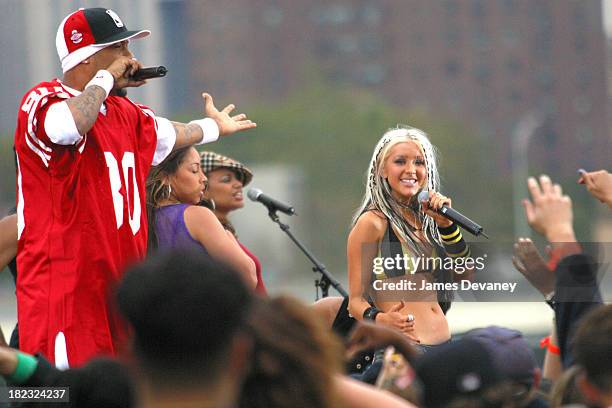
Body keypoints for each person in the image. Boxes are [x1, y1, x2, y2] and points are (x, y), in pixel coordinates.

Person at [14, 7, 256, 367]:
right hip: (68, 295)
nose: (131, 59)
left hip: (122, 295)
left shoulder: (125, 114)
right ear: (90, 56)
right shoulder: (44, 100)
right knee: (66, 395)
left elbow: (171, 133)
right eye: (121, 50)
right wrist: (106, 80)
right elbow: (69, 125)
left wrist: (213, 127)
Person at [347, 125, 470, 362]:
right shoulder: (372, 223)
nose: (411, 170)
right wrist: (380, 319)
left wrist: (447, 225)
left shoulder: (431, 221)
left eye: (419, 162)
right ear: (382, 170)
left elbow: (464, 272)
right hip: (404, 350)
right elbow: (355, 302)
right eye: (400, 161)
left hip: (444, 347)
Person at [146, 146, 257, 287]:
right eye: (194, 170)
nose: (203, 179)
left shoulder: (142, 220)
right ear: (165, 177)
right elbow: (247, 275)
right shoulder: (196, 216)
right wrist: (228, 236)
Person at [200, 150, 267, 294]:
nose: (238, 184)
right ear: (202, 188)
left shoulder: (224, 232)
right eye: (226, 179)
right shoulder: (207, 236)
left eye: (238, 179)